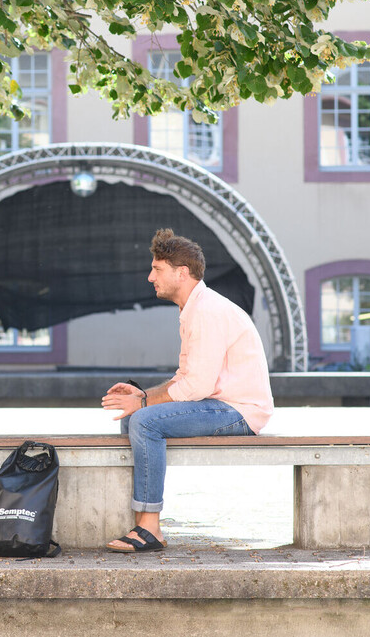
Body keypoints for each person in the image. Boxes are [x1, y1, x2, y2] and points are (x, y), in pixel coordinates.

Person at [100, 228, 273, 552]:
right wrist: (141, 396)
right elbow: (186, 376)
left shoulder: (207, 311)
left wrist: (143, 403)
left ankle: (150, 528)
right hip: (222, 404)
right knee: (132, 418)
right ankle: (141, 520)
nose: (150, 277)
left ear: (182, 273)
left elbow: (197, 385)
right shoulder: (194, 309)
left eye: (157, 269)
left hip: (240, 411)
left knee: (144, 421)